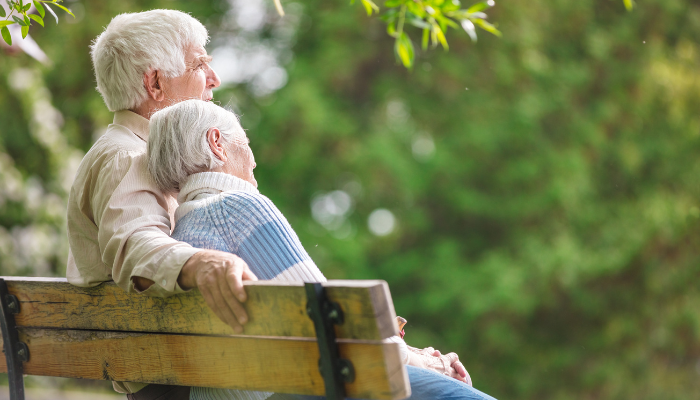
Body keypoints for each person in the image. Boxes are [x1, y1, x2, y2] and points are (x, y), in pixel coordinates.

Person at [146, 99, 497, 400]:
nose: (253, 159)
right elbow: (338, 329)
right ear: (217, 144)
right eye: (246, 142)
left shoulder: (180, 235)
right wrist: (430, 363)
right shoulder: (238, 207)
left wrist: (413, 354)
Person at [66, 10, 257, 398]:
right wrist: (201, 262)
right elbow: (135, 243)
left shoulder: (139, 155)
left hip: (170, 366)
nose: (214, 80)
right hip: (171, 379)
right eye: (201, 64)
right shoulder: (128, 157)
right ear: (155, 82)